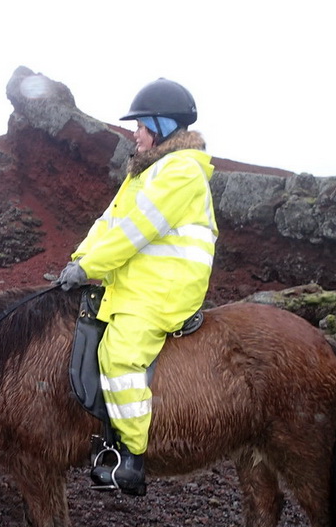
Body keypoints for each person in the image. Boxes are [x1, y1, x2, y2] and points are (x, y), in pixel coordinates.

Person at [57, 78, 218, 496]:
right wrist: (78, 260)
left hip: (165, 287)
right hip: (135, 282)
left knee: (120, 355)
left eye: (142, 127)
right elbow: (107, 223)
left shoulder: (181, 170)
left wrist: (90, 265)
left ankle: (131, 460)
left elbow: (135, 231)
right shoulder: (144, 171)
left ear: (164, 127)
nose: (136, 133)